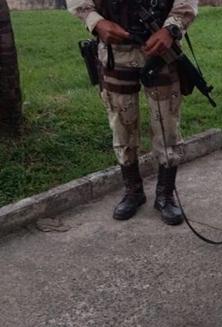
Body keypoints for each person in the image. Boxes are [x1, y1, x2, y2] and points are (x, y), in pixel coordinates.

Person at [67, 0, 198, 225]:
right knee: (122, 124)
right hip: (116, 52)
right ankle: (133, 191)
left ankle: (165, 195)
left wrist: (171, 29)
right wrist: (97, 22)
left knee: (167, 126)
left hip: (161, 51)